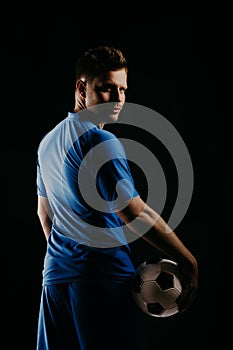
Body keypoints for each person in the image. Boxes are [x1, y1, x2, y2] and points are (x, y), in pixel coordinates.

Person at [36, 45, 198, 350]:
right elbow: (135, 213)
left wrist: (69, 258)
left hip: (55, 282)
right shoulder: (101, 140)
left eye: (123, 89)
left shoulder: (48, 142)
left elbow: (44, 215)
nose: (118, 99)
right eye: (107, 88)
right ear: (82, 88)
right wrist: (188, 261)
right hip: (101, 282)